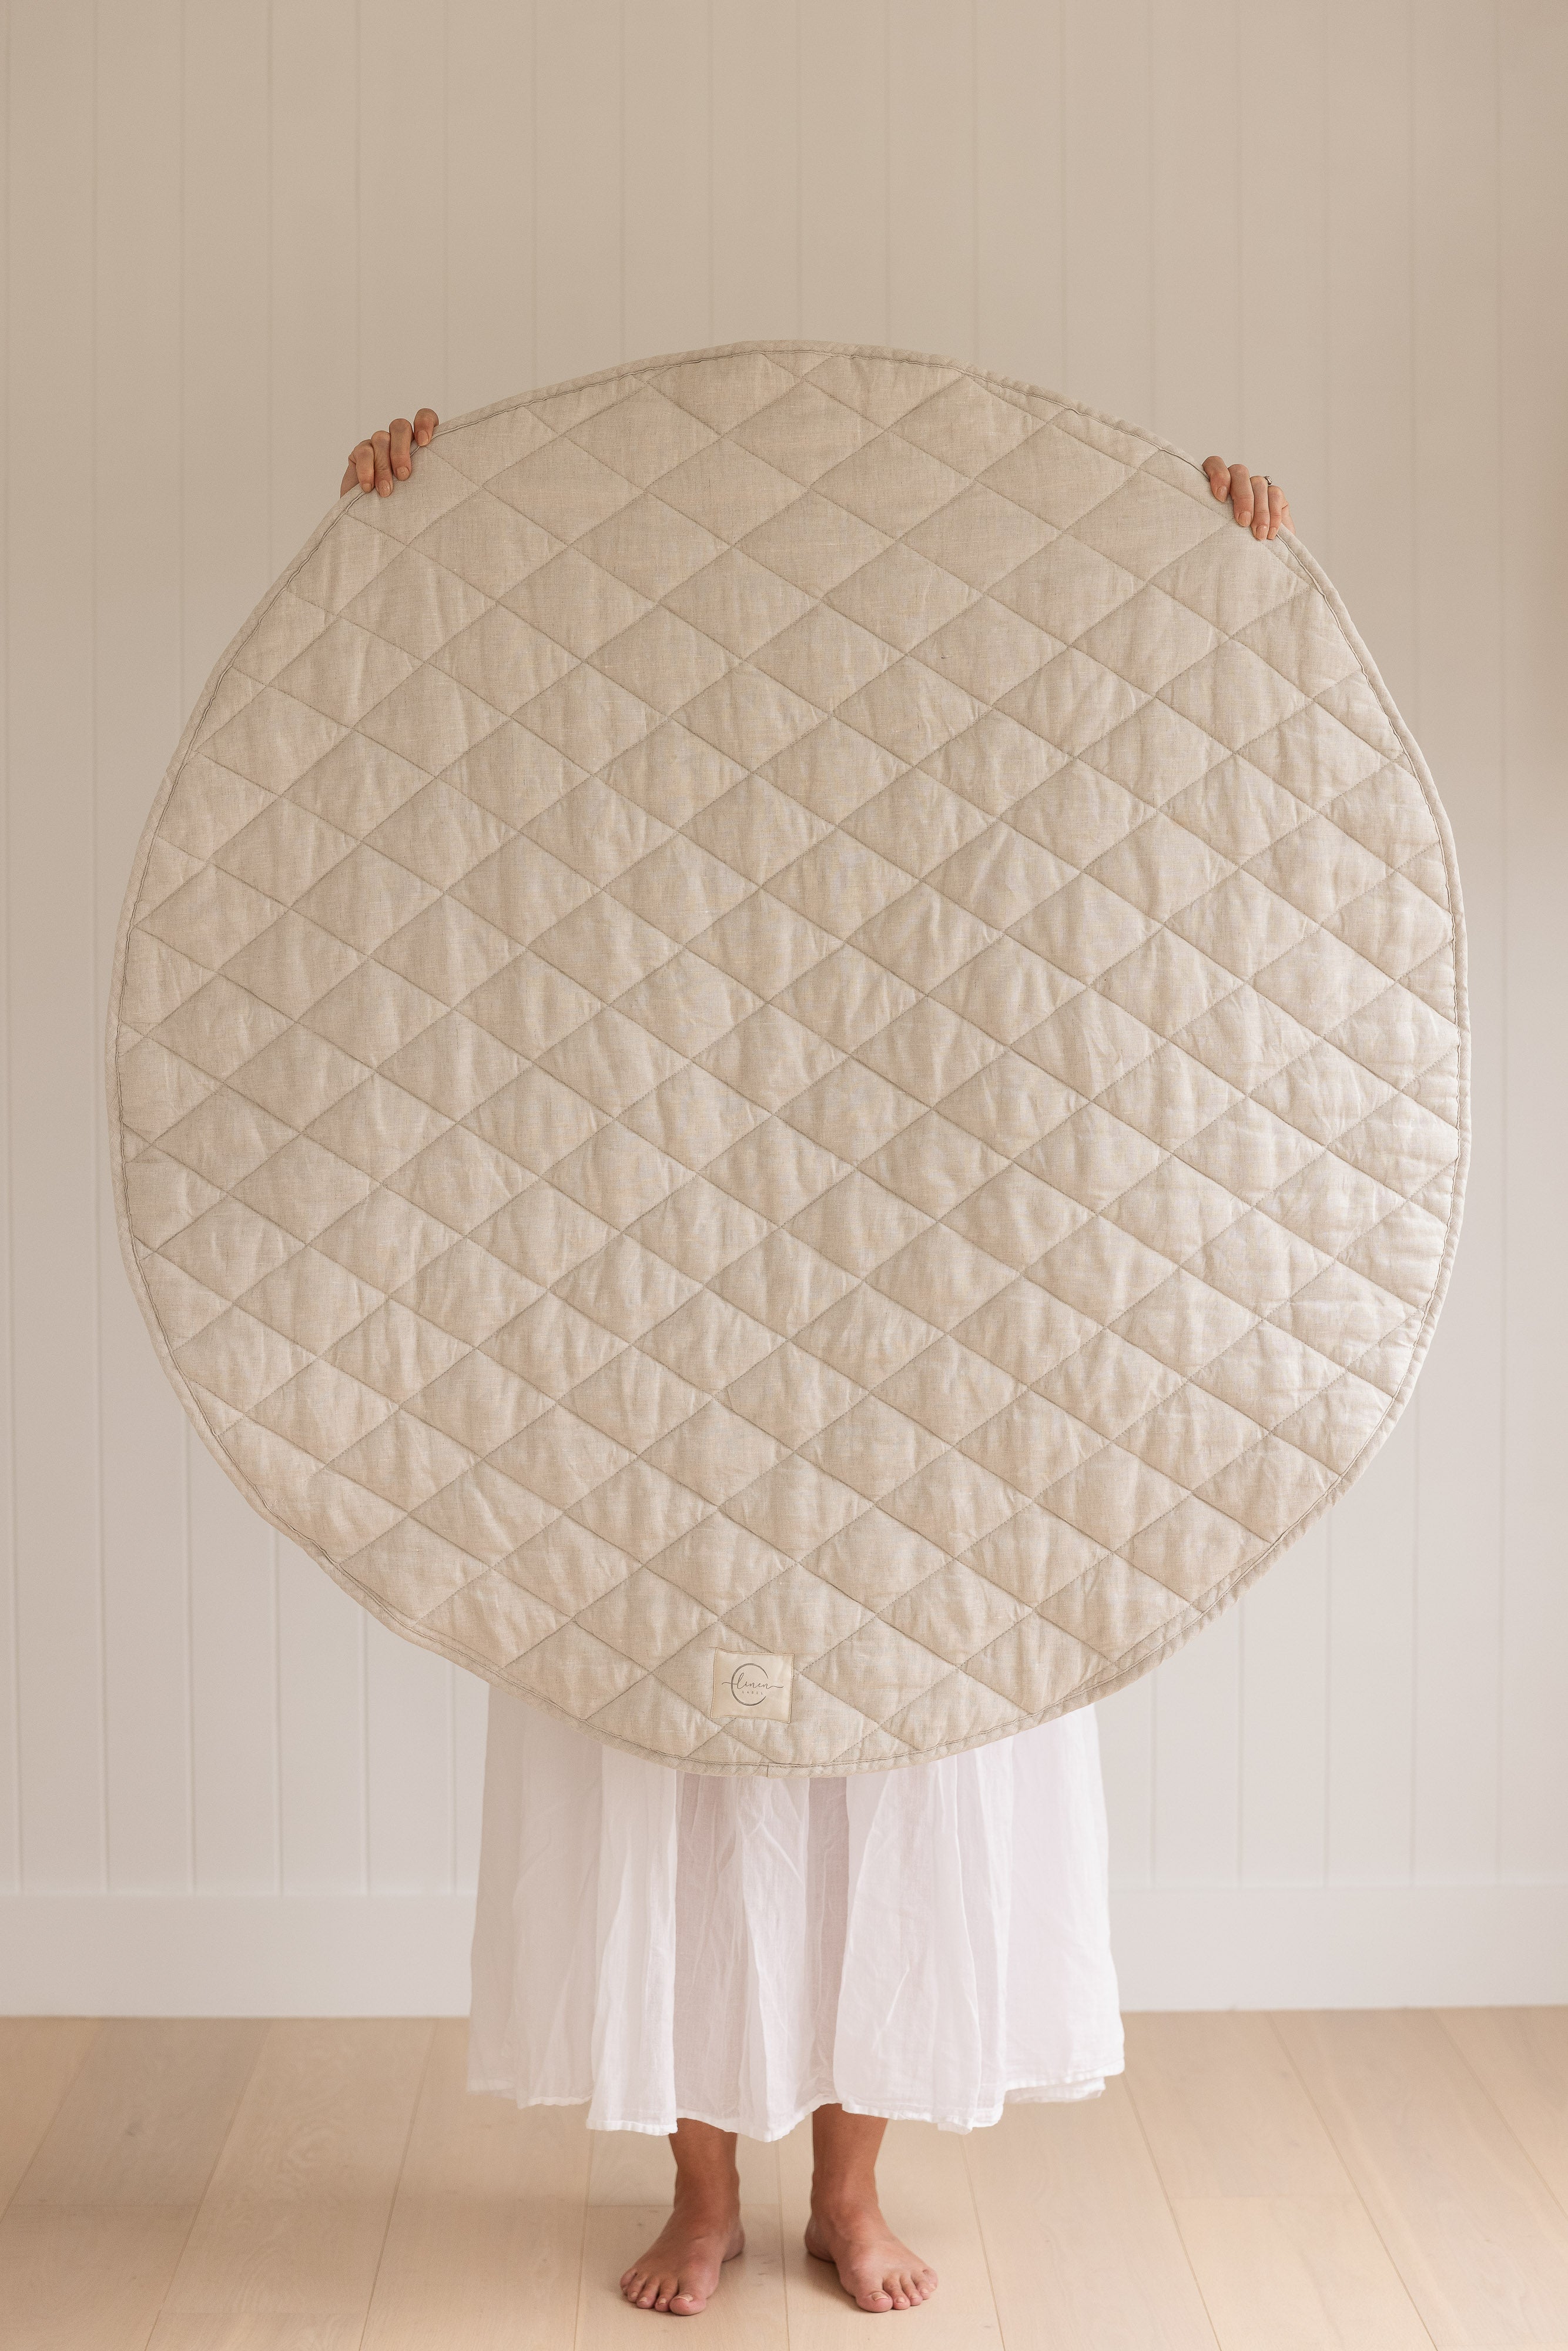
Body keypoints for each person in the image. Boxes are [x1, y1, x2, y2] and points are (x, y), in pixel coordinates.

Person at [340, 404, 1292, 2317]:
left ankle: (848, 2196)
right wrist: (418, 523)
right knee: (665, 1739)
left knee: (903, 1741)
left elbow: (1123, 798)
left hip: (932, 1297)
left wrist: (1200, 565)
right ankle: (701, 2195)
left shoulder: (972, 751)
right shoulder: (633, 767)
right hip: (661, 1282)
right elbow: (484, 811)